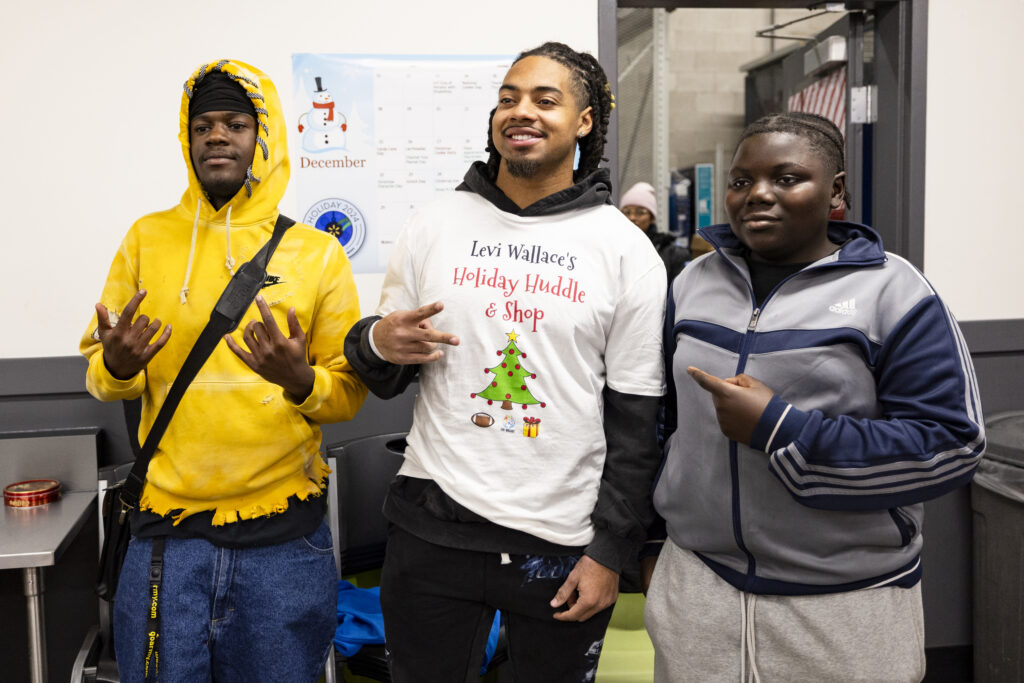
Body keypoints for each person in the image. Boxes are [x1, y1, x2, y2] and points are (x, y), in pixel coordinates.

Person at [344, 42, 666, 682]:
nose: (521, 112)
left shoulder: (624, 250)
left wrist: (610, 552)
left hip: (561, 547)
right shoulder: (435, 223)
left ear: (584, 122)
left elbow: (639, 424)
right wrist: (376, 341)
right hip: (431, 531)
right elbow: (383, 368)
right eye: (508, 99)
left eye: (546, 100)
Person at [643, 112, 985, 682]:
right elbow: (666, 422)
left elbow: (953, 444)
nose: (758, 194)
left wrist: (782, 430)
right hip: (699, 588)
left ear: (836, 191)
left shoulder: (894, 292)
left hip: (845, 602)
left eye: (786, 178)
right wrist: (655, 540)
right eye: (741, 180)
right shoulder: (693, 282)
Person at [80, 60, 367, 681]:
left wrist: (301, 381)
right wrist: (119, 367)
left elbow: (347, 394)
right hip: (166, 536)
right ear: (186, 139)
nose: (216, 136)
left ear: (263, 138)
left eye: (235, 124)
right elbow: (99, 375)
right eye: (203, 125)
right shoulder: (146, 239)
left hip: (283, 543)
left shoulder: (317, 253)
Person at [620, 181, 690, 282]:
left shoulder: (673, 254)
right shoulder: (613, 248)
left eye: (640, 212)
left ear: (652, 217)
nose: (632, 217)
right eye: (626, 212)